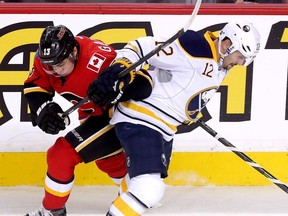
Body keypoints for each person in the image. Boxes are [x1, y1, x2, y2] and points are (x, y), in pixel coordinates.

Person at [87, 20, 261, 215]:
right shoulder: (194, 46)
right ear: (227, 44)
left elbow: (176, 77)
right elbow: (140, 47)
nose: (240, 63)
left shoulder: (220, 63)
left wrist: (187, 109)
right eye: (240, 57)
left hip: (164, 127)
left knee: (139, 185)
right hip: (143, 119)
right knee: (148, 190)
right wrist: (119, 67)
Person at [23, 25, 152, 216]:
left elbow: (145, 84)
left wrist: (114, 89)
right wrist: (43, 109)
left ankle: (52, 211)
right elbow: (35, 86)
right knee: (107, 160)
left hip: (125, 116)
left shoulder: (98, 59)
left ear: (74, 52)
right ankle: (140, 189)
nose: (55, 71)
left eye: (60, 65)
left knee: (61, 154)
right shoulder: (48, 60)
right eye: (50, 66)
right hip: (96, 117)